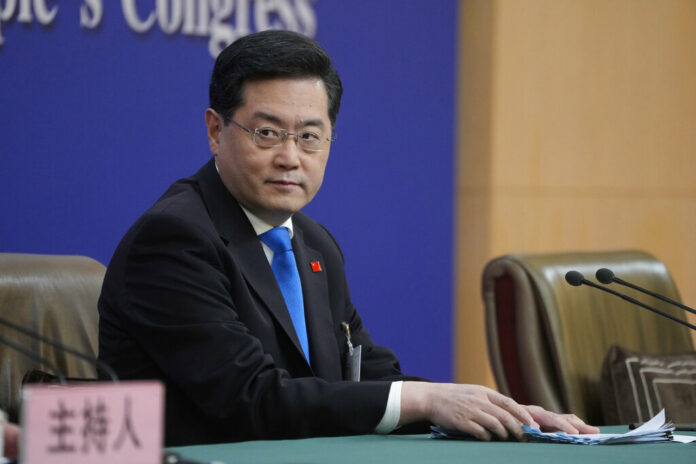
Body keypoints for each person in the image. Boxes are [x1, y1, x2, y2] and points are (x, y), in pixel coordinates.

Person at [98, 30, 598, 447]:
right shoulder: (173, 239)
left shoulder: (313, 244)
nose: (291, 157)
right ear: (215, 130)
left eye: (310, 136)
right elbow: (251, 398)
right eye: (267, 133)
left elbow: (366, 375)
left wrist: (498, 410)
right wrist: (427, 400)